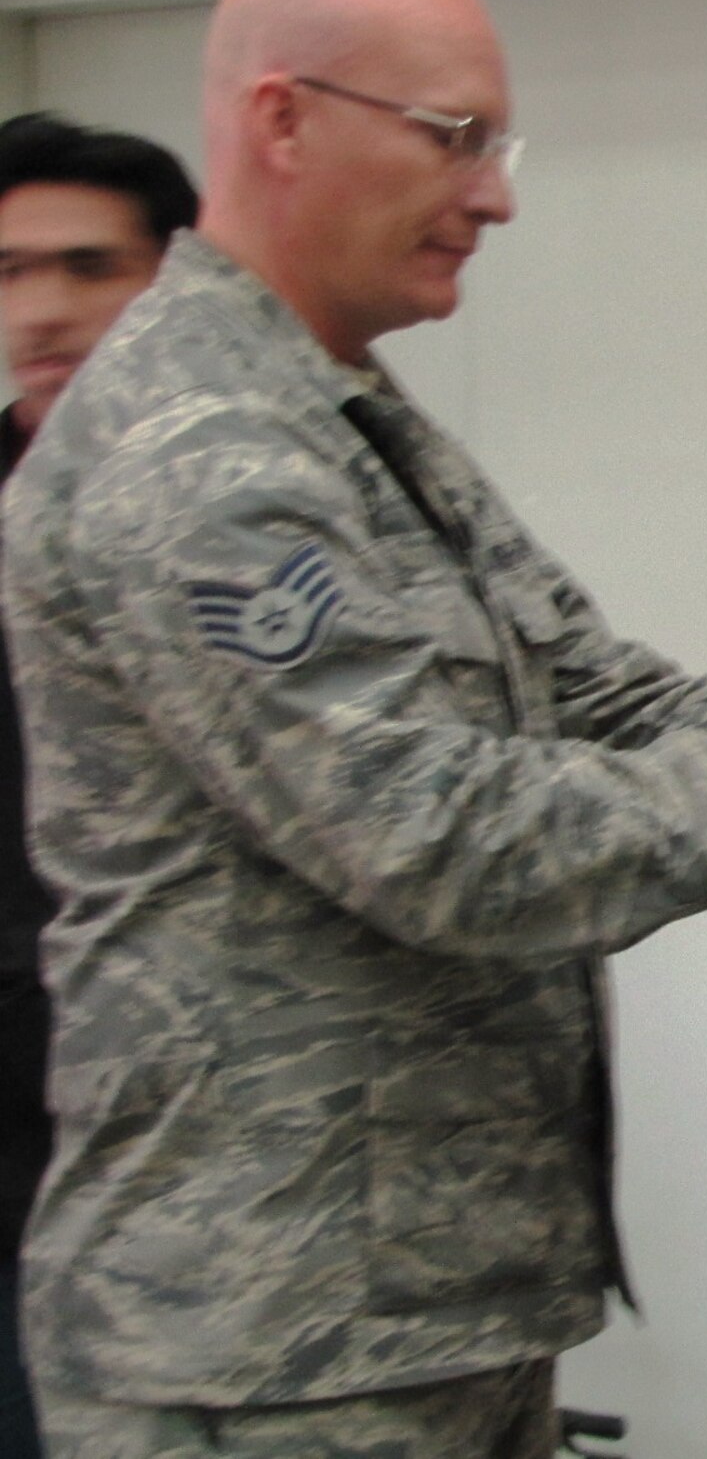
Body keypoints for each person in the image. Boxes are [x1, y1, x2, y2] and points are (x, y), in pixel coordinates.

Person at [1, 0, 707, 1454]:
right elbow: (443, 843)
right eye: (455, 136)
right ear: (283, 121)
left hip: (408, 1318)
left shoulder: (342, 414)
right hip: (268, 1355)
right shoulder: (200, 453)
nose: (494, 195)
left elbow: (611, 701)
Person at [0, 111, 198, 1459]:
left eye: (86, 266)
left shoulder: (254, 504)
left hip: (210, 1165)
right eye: (8, 273)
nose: (41, 312)